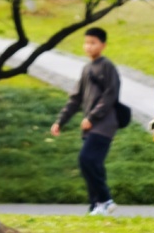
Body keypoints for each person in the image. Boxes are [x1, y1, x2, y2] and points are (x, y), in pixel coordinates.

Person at [50, 27, 121, 216]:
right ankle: (96, 205)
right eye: (86, 42)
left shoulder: (107, 66)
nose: (88, 46)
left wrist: (92, 117)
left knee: (86, 159)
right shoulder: (87, 68)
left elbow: (110, 95)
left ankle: (105, 199)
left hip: (104, 124)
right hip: (91, 126)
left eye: (93, 42)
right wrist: (60, 121)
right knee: (92, 163)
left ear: (103, 45)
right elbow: (75, 99)